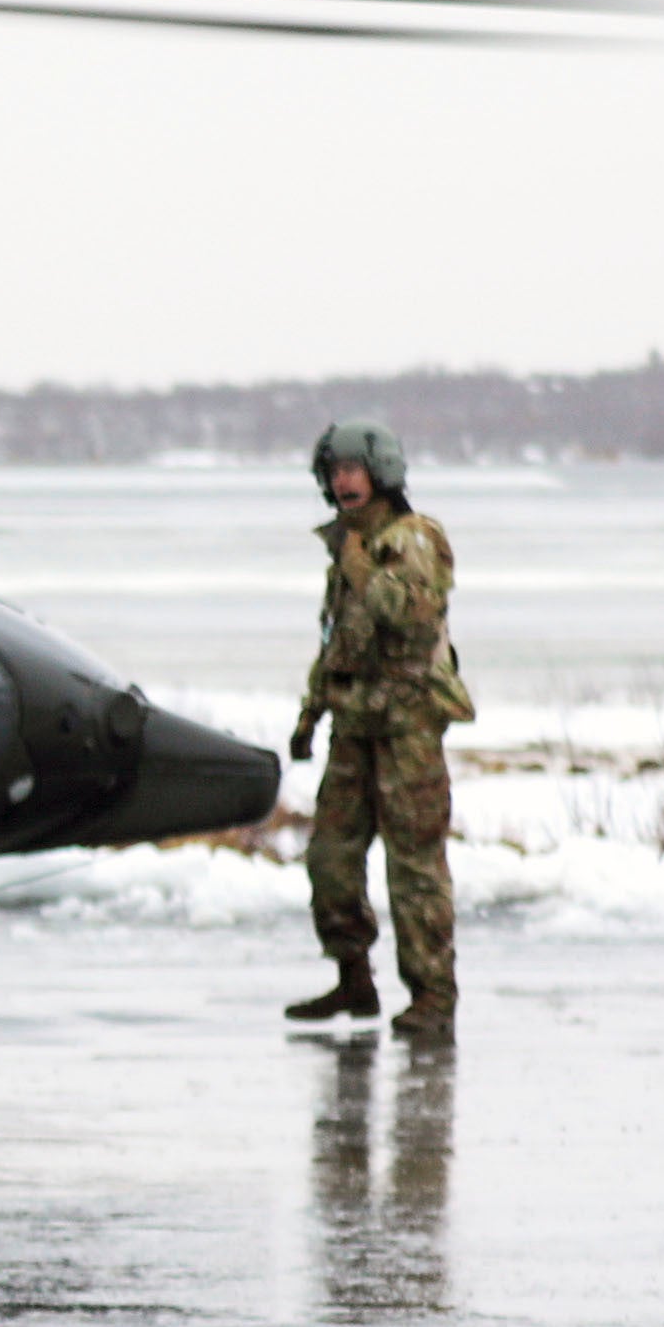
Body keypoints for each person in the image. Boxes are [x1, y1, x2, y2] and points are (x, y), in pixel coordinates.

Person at [286, 421, 468, 1037]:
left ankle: (433, 998)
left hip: (408, 727)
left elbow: (414, 617)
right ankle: (353, 980)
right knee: (330, 858)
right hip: (354, 724)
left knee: (414, 868)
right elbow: (337, 640)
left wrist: (360, 567)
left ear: (381, 471)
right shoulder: (350, 549)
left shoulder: (413, 538)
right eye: (334, 471)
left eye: (354, 469)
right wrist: (312, 713)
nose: (343, 481)